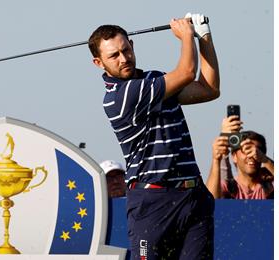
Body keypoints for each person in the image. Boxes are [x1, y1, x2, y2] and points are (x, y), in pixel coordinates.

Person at [88, 13, 219, 260]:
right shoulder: (120, 96)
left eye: (126, 50)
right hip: (153, 202)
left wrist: (204, 37)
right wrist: (185, 36)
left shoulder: (154, 80)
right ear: (98, 63)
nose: (123, 59)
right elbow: (187, 72)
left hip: (193, 196)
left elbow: (209, 89)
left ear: (132, 46)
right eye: (113, 56)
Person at [206, 116, 274, 199]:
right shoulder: (227, 188)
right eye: (246, 150)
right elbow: (210, 201)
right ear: (234, 156)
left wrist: (265, 160)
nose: (251, 155)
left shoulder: (271, 188)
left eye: (257, 150)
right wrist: (216, 159)